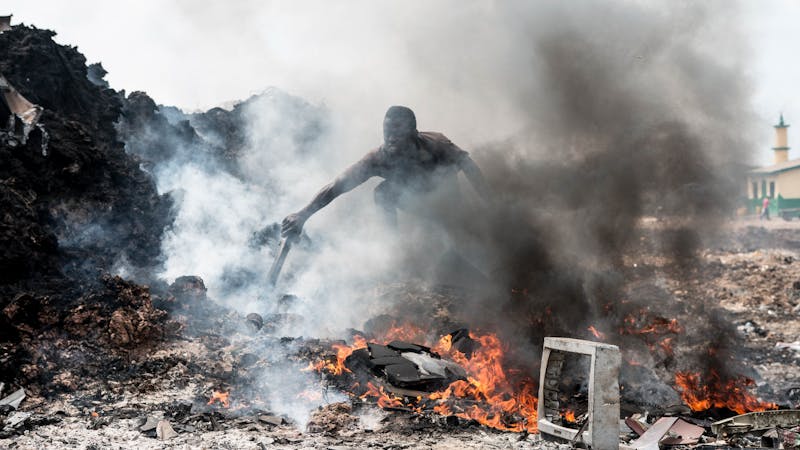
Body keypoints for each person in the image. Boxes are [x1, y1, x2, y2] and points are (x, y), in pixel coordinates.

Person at [281, 105, 490, 238]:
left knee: (456, 231)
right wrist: (302, 215)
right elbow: (337, 186)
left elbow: (468, 166)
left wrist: (490, 203)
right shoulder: (378, 159)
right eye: (387, 132)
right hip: (416, 203)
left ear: (414, 133)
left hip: (448, 201)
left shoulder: (436, 143)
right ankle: (394, 245)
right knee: (382, 192)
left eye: (398, 132)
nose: (391, 138)